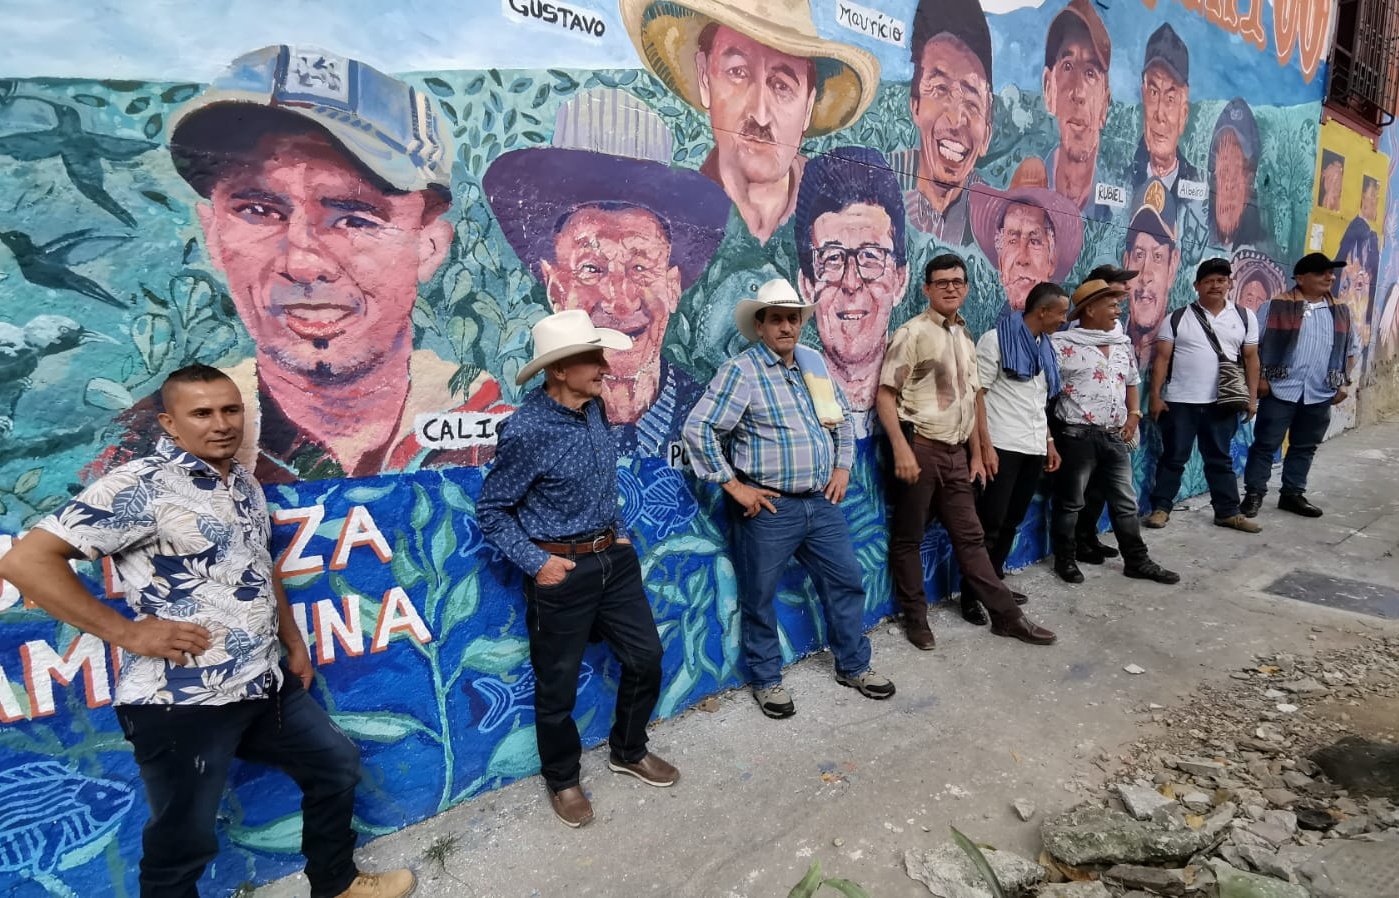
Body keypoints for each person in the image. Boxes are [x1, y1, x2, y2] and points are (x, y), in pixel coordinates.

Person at [0, 364, 414, 898]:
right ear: (171, 424)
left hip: (262, 682)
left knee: (336, 765)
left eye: (230, 409)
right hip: (182, 699)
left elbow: (257, 568)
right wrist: (129, 634)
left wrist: (292, 643)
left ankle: (335, 883)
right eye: (201, 413)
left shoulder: (241, 482)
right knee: (183, 841)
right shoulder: (141, 485)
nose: (220, 423)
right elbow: (27, 562)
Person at [98, 45, 507, 484]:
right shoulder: (143, 451)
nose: (303, 263)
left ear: (429, 246)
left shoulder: (495, 424)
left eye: (354, 217)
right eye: (258, 211)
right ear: (213, 235)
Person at [477, 310, 676, 828]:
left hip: (615, 558)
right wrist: (538, 564)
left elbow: (597, 482)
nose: (605, 366)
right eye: (592, 357)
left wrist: (620, 530)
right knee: (556, 685)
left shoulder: (595, 409)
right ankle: (563, 780)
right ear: (559, 369)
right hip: (561, 571)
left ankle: (628, 751)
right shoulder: (526, 430)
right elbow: (493, 510)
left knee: (646, 657)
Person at [683, 278, 896, 718]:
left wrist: (842, 467)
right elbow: (698, 429)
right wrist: (733, 485)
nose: (786, 326)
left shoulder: (813, 364)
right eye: (776, 318)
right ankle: (766, 679)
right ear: (759, 326)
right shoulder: (742, 372)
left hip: (820, 504)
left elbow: (838, 423)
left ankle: (854, 665)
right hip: (769, 509)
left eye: (793, 318)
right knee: (759, 596)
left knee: (845, 581)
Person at [484, 88, 730, 454]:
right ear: (555, 290)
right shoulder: (532, 432)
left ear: (673, 287)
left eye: (640, 266)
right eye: (591, 268)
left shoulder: (710, 419)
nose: (619, 300)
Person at [877, 253, 1057, 650]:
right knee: (909, 538)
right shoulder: (912, 333)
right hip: (920, 449)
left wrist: (979, 451)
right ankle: (916, 619)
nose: (950, 288)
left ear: (966, 287)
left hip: (957, 456)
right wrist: (900, 450)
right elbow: (886, 395)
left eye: (957, 281)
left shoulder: (965, 335)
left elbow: (975, 397)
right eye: (941, 282)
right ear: (927, 289)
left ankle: (1007, 617)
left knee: (972, 539)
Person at [622, 0, 878, 243]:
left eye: (782, 86)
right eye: (738, 72)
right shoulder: (667, 222)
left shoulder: (845, 220)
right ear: (704, 78)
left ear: (808, 107)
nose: (761, 114)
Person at [1050, 282, 1180, 584]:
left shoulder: (1121, 342)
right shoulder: (1062, 344)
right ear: (1090, 310)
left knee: (1125, 502)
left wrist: (1134, 414)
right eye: (1111, 305)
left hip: (1115, 436)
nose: (1117, 310)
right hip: (1076, 436)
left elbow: (1131, 381)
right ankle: (1065, 559)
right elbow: (1043, 394)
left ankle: (1136, 560)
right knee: (1071, 503)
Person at [969, 282, 1068, 622]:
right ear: (1042, 311)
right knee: (989, 524)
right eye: (1061, 313)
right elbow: (976, 395)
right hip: (1001, 445)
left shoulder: (1045, 348)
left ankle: (993, 585)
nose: (1064, 319)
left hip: (1032, 447)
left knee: (1011, 521)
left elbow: (1038, 402)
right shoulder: (996, 340)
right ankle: (971, 595)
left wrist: (1049, 442)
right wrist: (983, 448)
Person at [1145, 258, 1262, 532]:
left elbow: (1252, 358)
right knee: (1173, 457)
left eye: (1221, 280)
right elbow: (1161, 359)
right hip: (1181, 401)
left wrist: (1252, 397)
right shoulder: (1177, 318)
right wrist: (1155, 396)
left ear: (1229, 284)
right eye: (1209, 281)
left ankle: (1227, 512)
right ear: (1197, 285)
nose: (1215, 285)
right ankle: (1161, 509)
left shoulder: (1244, 317)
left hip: (1222, 402)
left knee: (1220, 459)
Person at [1241, 253, 1359, 519]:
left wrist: (1343, 382)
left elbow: (1351, 350)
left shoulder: (1340, 310)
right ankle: (1254, 494)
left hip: (1320, 391)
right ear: (1301, 278)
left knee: (1305, 446)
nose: (1329, 277)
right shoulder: (1274, 306)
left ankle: (1292, 494)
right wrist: (1260, 379)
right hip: (1280, 388)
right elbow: (1255, 346)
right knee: (1265, 445)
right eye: (1322, 273)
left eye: (1331, 273)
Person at [794, 146, 909, 412]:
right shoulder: (785, 402)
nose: (851, 282)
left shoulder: (922, 392)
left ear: (900, 280)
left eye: (871, 255)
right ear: (807, 285)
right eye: (832, 258)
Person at [904, 0, 996, 243]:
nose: (956, 120)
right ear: (915, 105)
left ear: (986, 135)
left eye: (972, 102)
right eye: (940, 89)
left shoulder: (999, 225)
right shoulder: (875, 188)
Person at [971, 158, 1083, 321]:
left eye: (1035, 241)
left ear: (1052, 261)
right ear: (1001, 261)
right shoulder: (994, 333)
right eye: (1012, 240)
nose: (1022, 258)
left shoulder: (1061, 338)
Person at [1041, 0, 1115, 219]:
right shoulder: (1024, 194)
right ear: (1048, 89)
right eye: (1067, 67)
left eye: (1091, 73)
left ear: (1105, 105)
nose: (1078, 92)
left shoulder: (1114, 214)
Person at [1129, 24, 1206, 232]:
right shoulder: (1123, 177)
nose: (1160, 114)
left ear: (1184, 113)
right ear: (1143, 96)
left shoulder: (1200, 193)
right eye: (1154, 93)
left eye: (1170, 98)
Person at [1123, 192, 1181, 369]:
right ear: (1126, 263)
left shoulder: (1183, 349)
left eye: (1157, 257)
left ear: (1171, 268)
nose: (1145, 275)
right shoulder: (1108, 339)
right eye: (1139, 255)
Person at [1207, 98, 1272, 252]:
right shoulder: (1200, 234)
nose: (1228, 185)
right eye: (1223, 172)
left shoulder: (1263, 249)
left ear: (1250, 180)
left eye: (1236, 171)